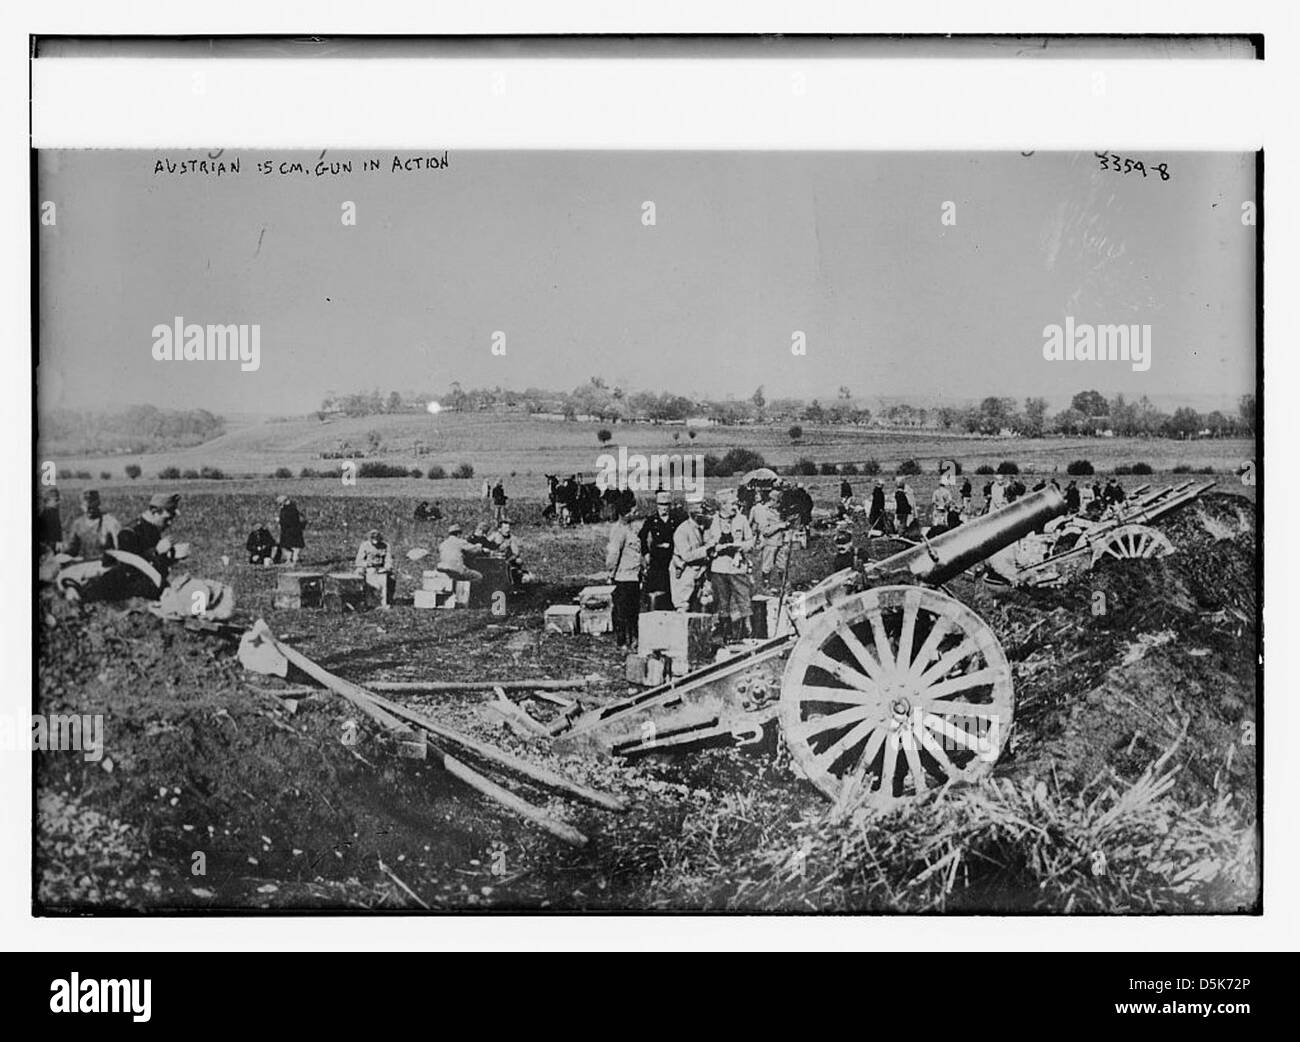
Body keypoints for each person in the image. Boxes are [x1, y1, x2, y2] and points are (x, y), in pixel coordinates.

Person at [707, 489, 755, 643]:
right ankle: (725, 633)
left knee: (743, 597)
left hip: (737, 566)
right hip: (719, 567)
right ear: (723, 505)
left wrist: (739, 546)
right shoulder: (712, 521)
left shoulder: (742, 520)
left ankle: (748, 630)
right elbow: (707, 543)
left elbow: (750, 542)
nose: (736, 506)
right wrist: (716, 548)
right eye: (732, 503)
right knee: (722, 601)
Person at [605, 501, 643, 648]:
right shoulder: (619, 531)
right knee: (623, 611)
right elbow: (613, 555)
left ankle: (633, 639)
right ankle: (622, 641)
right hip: (623, 577)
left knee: (633, 611)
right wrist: (611, 574)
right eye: (632, 512)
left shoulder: (630, 529)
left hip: (633, 575)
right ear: (624, 514)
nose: (634, 514)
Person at [671, 499, 714, 613]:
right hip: (685, 572)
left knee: (704, 604)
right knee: (683, 607)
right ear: (694, 514)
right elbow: (686, 556)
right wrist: (707, 549)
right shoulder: (682, 530)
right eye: (702, 512)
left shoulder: (703, 528)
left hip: (700, 573)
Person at [638, 490, 676, 610]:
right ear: (657, 505)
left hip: (671, 556)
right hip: (657, 558)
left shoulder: (675, 519)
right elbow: (641, 537)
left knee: (671, 586)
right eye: (661, 505)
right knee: (657, 588)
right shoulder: (651, 520)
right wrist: (646, 553)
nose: (664, 508)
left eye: (666, 505)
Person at [750, 487, 790, 593]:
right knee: (767, 565)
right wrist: (780, 526)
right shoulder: (764, 512)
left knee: (782, 565)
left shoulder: (780, 512)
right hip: (770, 543)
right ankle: (766, 586)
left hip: (780, 542)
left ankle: (785, 586)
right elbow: (765, 531)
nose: (779, 504)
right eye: (777, 502)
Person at [64, 489, 120, 559]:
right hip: (84, 565)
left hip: (105, 565)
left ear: (98, 503)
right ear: (82, 506)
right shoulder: (77, 524)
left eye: (93, 506)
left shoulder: (110, 522)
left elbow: (119, 550)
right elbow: (71, 551)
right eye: (87, 507)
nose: (90, 510)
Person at [354, 528, 395, 608]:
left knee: (392, 578)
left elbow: (388, 559)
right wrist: (367, 564)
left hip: (380, 568)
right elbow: (358, 561)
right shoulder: (364, 545)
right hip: (367, 567)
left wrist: (387, 567)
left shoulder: (386, 546)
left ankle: (387, 600)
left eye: (377, 539)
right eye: (373, 539)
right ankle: (362, 599)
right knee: (358, 574)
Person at [277, 494, 305, 565]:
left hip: (292, 531)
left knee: (294, 546)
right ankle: (289, 560)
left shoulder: (291, 509)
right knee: (285, 546)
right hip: (287, 531)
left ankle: (294, 561)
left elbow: (290, 520)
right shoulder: (286, 508)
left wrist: (280, 520)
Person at [38, 488, 63, 554]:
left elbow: (57, 530)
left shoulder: (54, 512)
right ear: (47, 501)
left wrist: (59, 541)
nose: (59, 503)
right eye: (56, 500)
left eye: (59, 500)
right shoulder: (47, 514)